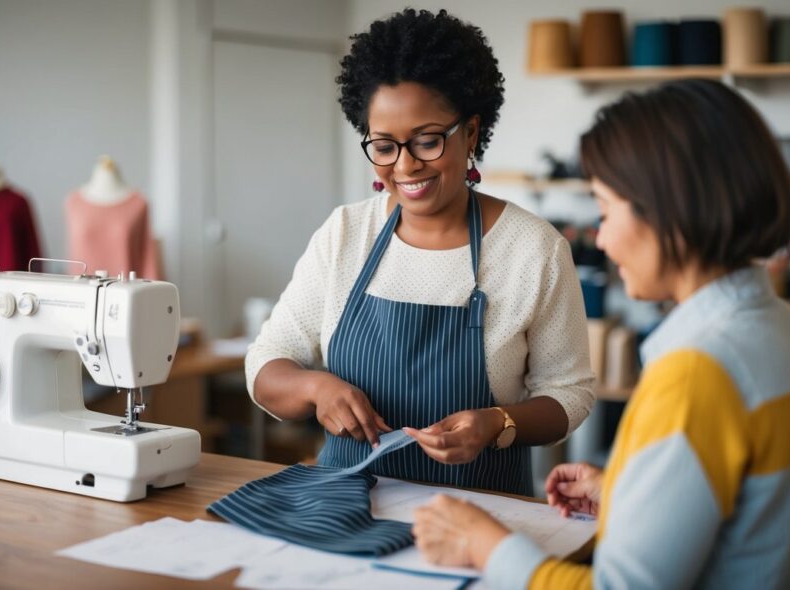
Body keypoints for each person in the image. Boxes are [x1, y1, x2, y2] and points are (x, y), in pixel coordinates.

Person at [412, 79, 790, 588]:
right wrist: (637, 497)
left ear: (669, 208)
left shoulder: (695, 373)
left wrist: (484, 544)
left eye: (607, 211)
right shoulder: (777, 326)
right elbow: (751, 513)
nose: (602, 239)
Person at [245, 8, 594, 495]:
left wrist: (496, 423)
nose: (406, 166)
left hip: (482, 517)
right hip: (345, 505)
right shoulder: (346, 233)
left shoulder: (533, 249)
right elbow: (266, 363)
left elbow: (569, 394)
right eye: (385, 146)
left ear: (471, 132)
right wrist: (314, 387)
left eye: (427, 141)